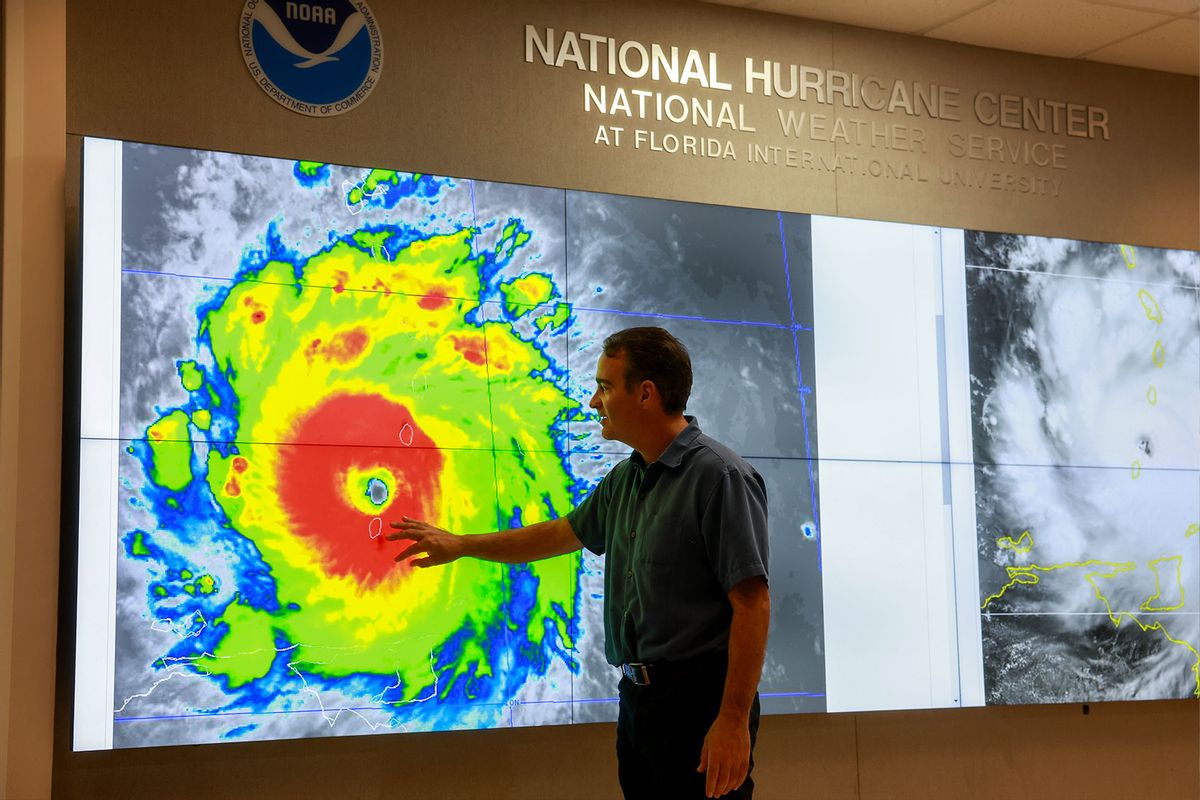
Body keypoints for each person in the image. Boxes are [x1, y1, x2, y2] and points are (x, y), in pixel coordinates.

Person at [388, 326, 770, 799]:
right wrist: (462, 545)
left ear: (646, 394)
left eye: (605, 387)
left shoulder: (720, 477)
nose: (594, 402)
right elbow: (559, 535)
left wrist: (732, 722)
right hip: (638, 701)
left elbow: (752, 604)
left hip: (699, 705)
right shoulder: (626, 479)